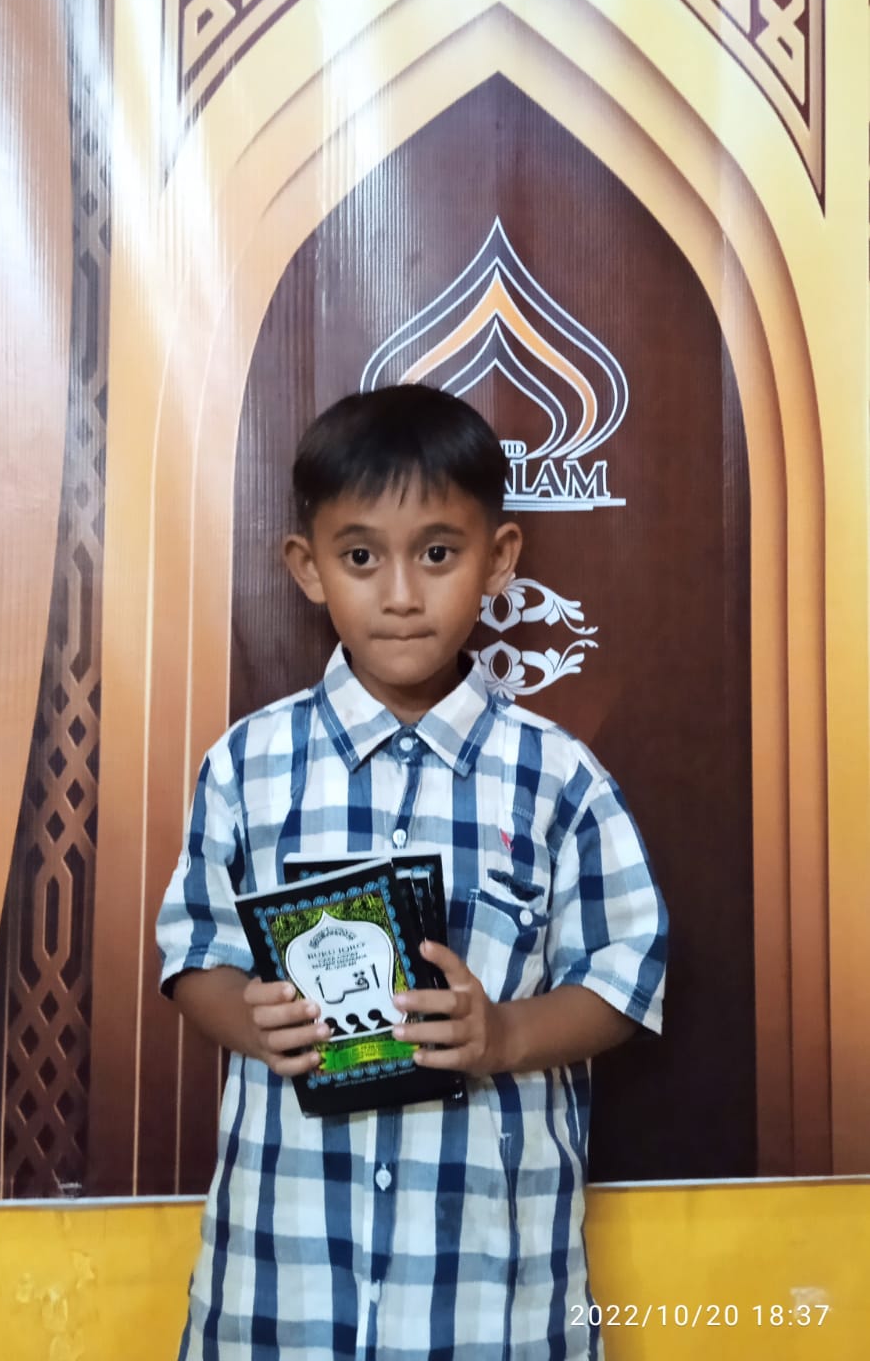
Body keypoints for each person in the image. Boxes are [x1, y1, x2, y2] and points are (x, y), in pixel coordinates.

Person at [157, 383, 668, 1361]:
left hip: (491, 1307)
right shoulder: (246, 766)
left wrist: (506, 1033)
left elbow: (625, 978)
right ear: (307, 567)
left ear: (499, 559)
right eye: (361, 557)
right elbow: (193, 957)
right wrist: (253, 1019)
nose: (400, 593)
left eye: (437, 554)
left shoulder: (557, 777)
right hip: (280, 1292)